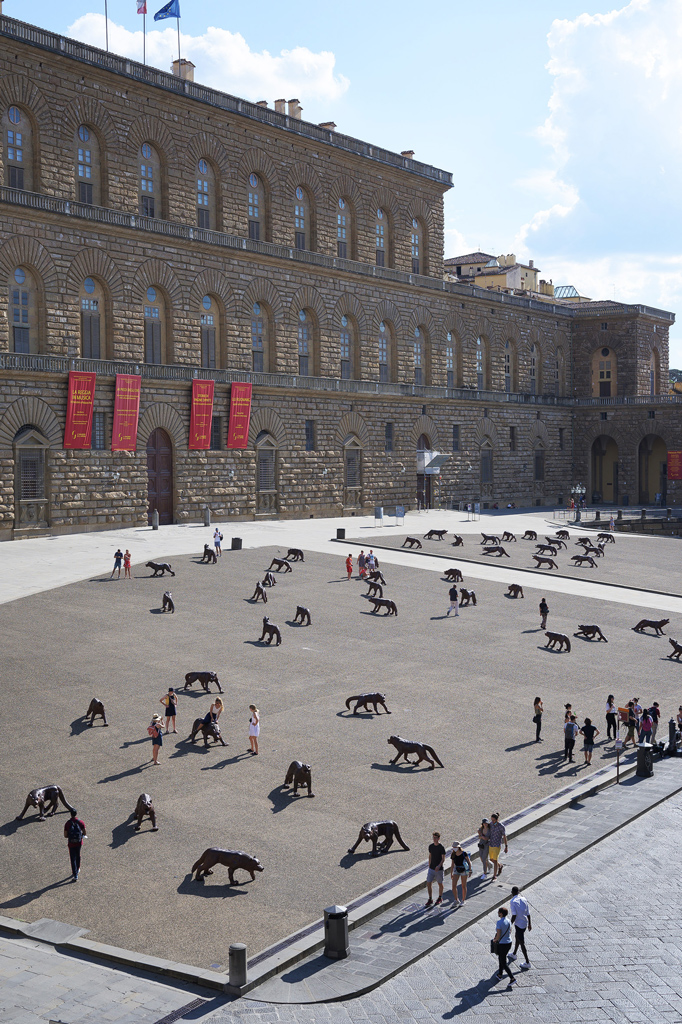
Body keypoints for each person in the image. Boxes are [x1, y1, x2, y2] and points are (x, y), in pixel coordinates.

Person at [508, 887, 531, 969]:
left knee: (522, 943)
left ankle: (527, 962)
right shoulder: (524, 899)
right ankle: (514, 954)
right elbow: (528, 912)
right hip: (524, 923)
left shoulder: (512, 902)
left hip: (519, 924)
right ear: (518, 892)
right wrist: (530, 924)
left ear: (512, 893)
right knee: (517, 937)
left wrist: (510, 925)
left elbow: (514, 915)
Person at [64, 808, 87, 882]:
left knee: (72, 858)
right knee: (78, 855)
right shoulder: (80, 822)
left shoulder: (67, 823)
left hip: (71, 843)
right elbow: (85, 832)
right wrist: (81, 835)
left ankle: (75, 874)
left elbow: (65, 835)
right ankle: (78, 868)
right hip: (79, 842)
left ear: (70, 814)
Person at [493, 907, 515, 983]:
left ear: (501, 913)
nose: (498, 914)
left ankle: (512, 978)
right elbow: (510, 930)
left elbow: (498, 934)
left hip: (502, 944)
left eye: (498, 912)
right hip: (509, 942)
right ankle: (500, 974)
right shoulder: (509, 921)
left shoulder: (499, 923)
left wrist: (495, 940)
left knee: (503, 962)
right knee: (501, 957)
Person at [425, 831, 446, 907]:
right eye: (433, 837)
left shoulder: (441, 847)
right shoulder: (431, 846)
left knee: (440, 883)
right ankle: (430, 898)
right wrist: (429, 863)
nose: (434, 839)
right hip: (431, 868)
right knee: (428, 882)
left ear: (438, 838)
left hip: (439, 869)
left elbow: (443, 858)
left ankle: (440, 897)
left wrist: (439, 866)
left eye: (435, 838)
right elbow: (430, 855)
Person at [488, 813, 507, 879]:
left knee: (495, 860)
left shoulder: (501, 826)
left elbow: (504, 836)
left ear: (497, 819)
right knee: (491, 859)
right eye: (492, 820)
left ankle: (494, 875)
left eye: (493, 820)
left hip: (497, 845)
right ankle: (500, 866)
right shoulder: (491, 824)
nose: (492, 821)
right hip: (491, 844)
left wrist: (506, 846)